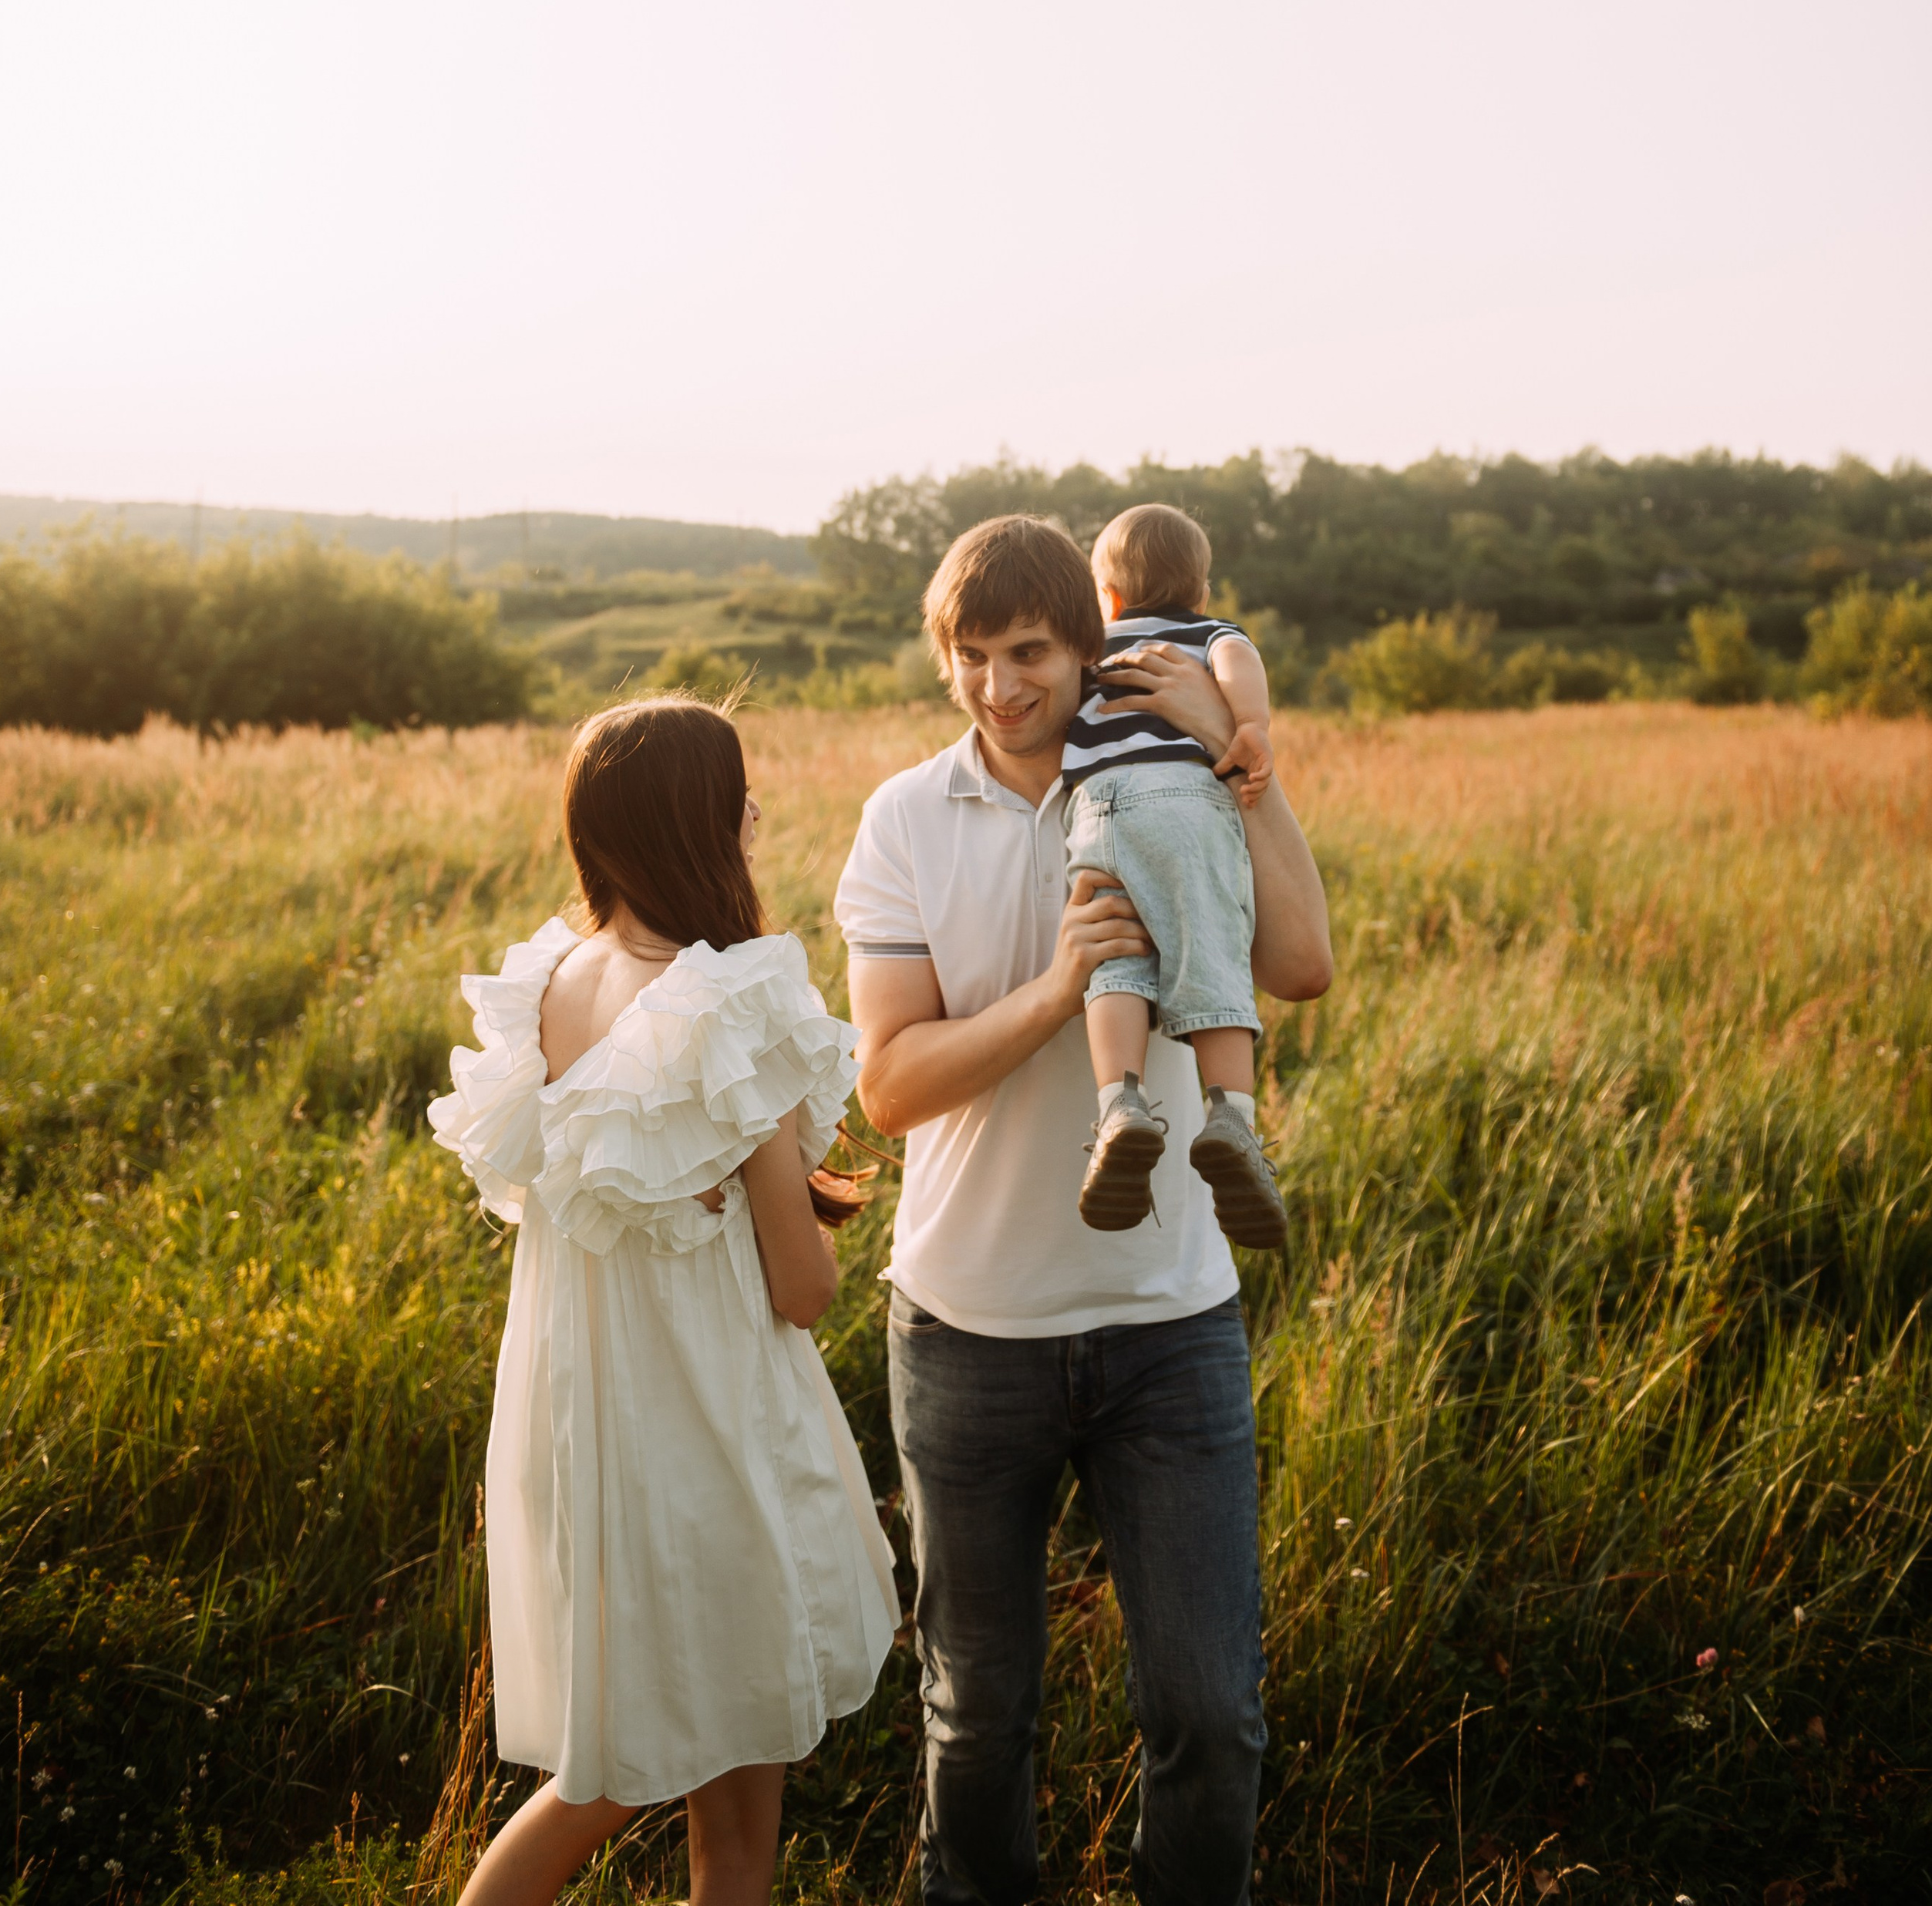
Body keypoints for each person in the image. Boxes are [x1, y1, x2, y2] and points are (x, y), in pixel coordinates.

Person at [836, 515, 1332, 1906]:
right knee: (976, 1712)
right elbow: (889, 1084)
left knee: (1210, 1713)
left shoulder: (1173, 766)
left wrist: (1240, 759)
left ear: (1089, 642)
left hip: (1172, 1324)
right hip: (966, 1329)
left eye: (1030, 653)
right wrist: (1059, 991)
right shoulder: (904, 817)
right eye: (973, 656)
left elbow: (1302, 964)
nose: (1001, 686)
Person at [428, 696, 898, 1906]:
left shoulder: (551, 979)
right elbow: (804, 1285)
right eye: (737, 794)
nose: (756, 810)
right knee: (701, 1815)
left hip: (585, 1435)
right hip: (707, 1437)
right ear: (697, 822)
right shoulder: (719, 1001)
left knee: (610, 1767)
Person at [1064, 501, 1288, 1246]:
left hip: (1097, 804)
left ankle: (1119, 1105)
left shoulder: (1093, 645)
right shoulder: (1207, 633)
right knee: (1210, 944)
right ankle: (1232, 1118)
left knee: (1115, 955)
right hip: (1185, 798)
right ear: (1201, 589)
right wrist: (1249, 725)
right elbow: (1237, 662)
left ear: (1108, 596)